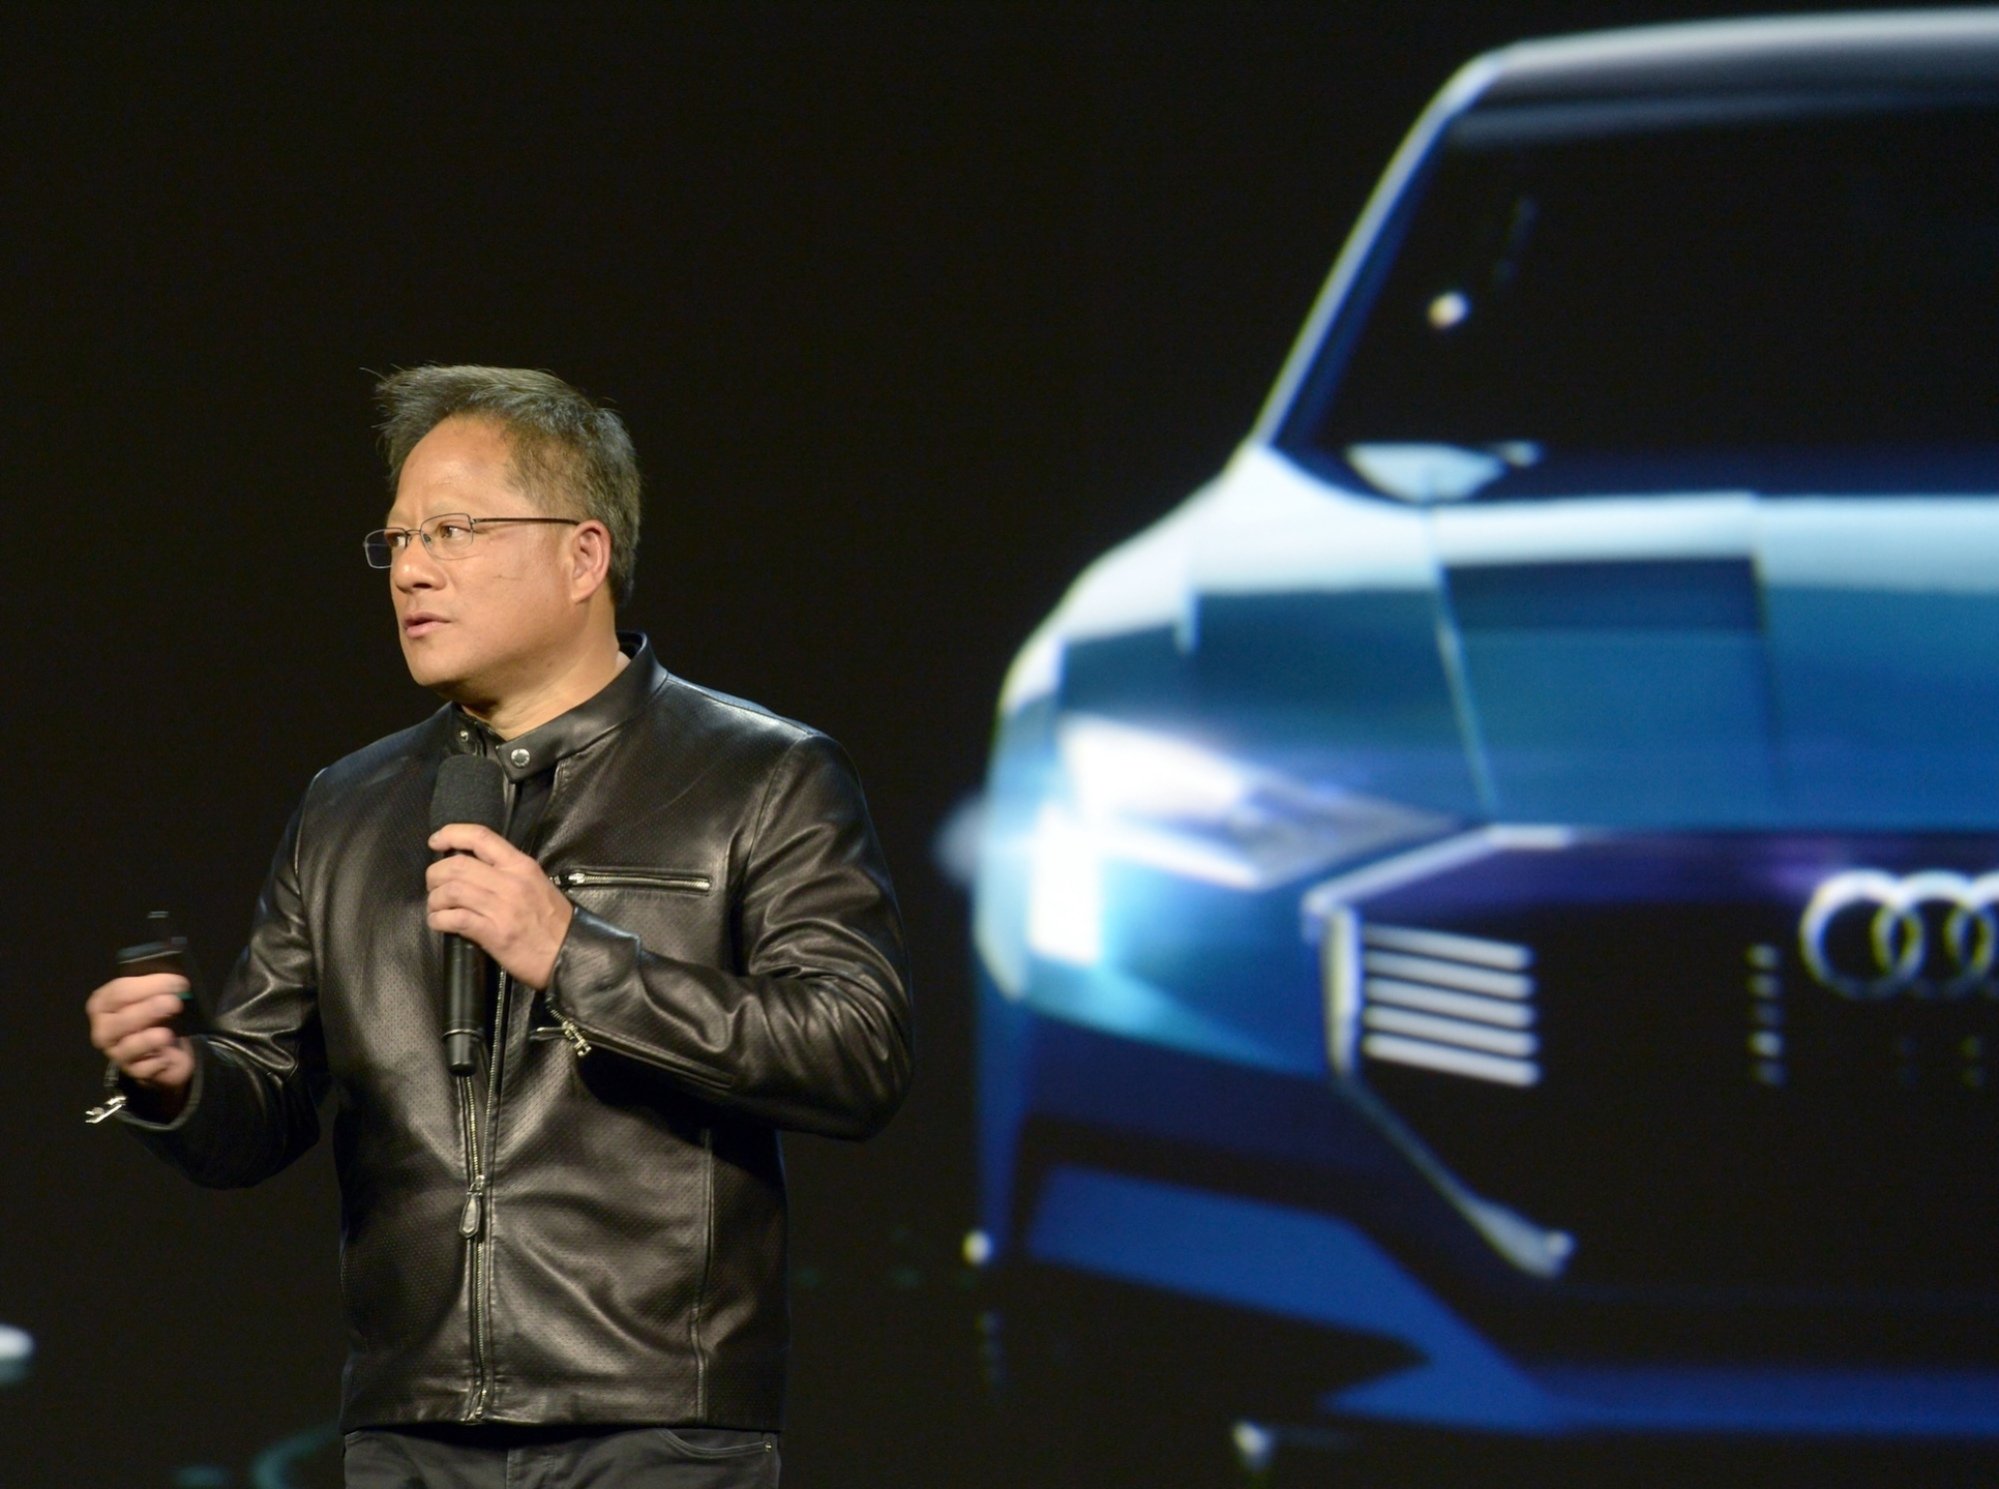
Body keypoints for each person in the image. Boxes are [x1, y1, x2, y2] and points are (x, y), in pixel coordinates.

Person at [84, 365, 912, 1488]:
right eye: (397, 542)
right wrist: (175, 1078)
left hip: (657, 1423)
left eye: (455, 530)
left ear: (584, 554)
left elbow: (855, 1051)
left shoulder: (758, 775)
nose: (412, 569)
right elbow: (267, 1095)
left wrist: (577, 959)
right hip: (410, 1426)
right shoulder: (348, 803)